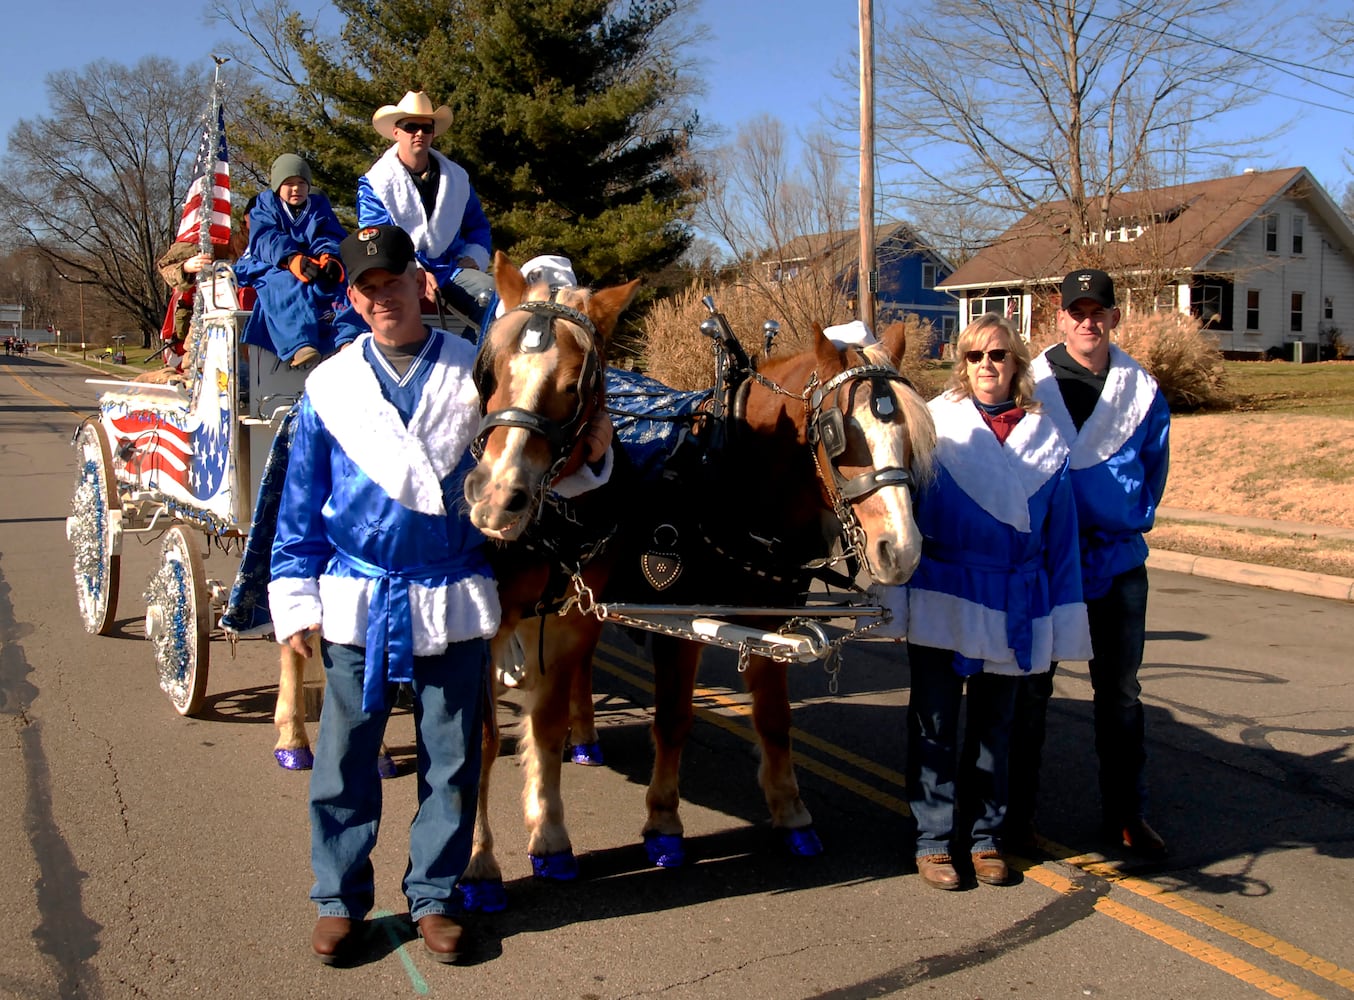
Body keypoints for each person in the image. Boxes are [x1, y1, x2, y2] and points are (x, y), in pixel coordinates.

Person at [267, 223, 500, 966]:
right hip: (355, 599)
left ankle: (434, 896)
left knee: (453, 761)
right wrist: (296, 601)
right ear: (357, 299)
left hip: (451, 595)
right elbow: (299, 506)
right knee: (343, 761)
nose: (381, 299)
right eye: (367, 290)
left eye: (392, 284)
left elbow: (524, 464)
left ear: (421, 286)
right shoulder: (328, 387)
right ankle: (339, 898)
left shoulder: (475, 375)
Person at [893, 313, 1090, 890]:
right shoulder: (933, 425)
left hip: (1015, 599)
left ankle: (985, 838)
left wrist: (1060, 617)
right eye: (975, 355)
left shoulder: (1048, 436)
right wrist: (895, 601)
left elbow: (1063, 539)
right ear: (962, 362)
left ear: (1017, 365)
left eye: (998, 355)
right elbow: (905, 521)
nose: (987, 366)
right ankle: (932, 840)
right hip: (943, 591)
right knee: (933, 722)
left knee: (995, 727)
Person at [1008, 268, 1172, 858]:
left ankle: (1128, 814)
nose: (1087, 321)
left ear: (1113, 317)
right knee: (1031, 691)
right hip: (1051, 565)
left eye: (1097, 311)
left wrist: (1128, 513)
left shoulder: (1142, 389)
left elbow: (1155, 467)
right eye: (1076, 311)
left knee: (1120, 694)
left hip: (1118, 563)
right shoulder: (1030, 383)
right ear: (1059, 318)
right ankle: (1016, 817)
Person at [357, 90, 495, 330]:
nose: (419, 133)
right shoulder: (375, 184)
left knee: (494, 298)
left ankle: (474, 362)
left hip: (451, 269)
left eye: (426, 128)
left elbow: (477, 226)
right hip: (397, 271)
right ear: (396, 132)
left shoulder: (458, 179)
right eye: (411, 127)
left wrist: (473, 257)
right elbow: (377, 241)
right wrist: (415, 272)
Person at [241, 154, 364, 367]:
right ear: (277, 186)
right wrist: (290, 258)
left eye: (301, 183)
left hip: (313, 261)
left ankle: (348, 337)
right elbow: (265, 238)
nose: (296, 189)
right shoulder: (265, 205)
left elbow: (329, 233)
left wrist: (330, 257)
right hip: (275, 263)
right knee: (283, 284)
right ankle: (300, 343)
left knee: (343, 284)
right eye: (289, 184)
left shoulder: (318, 205)